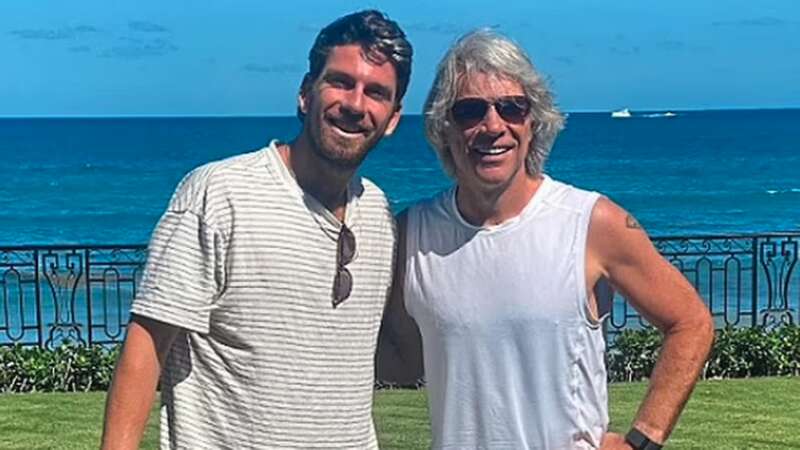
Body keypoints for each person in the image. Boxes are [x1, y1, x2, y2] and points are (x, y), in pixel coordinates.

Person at [377, 30, 714, 449]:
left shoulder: (592, 222)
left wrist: (642, 441)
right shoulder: (413, 235)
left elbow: (691, 322)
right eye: (470, 111)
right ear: (444, 127)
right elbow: (395, 359)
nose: (493, 126)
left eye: (512, 108)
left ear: (534, 121)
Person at [101, 10, 412, 449]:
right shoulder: (219, 195)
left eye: (376, 92)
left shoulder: (379, 213)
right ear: (306, 93)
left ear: (394, 118)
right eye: (340, 82)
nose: (356, 104)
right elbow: (148, 342)